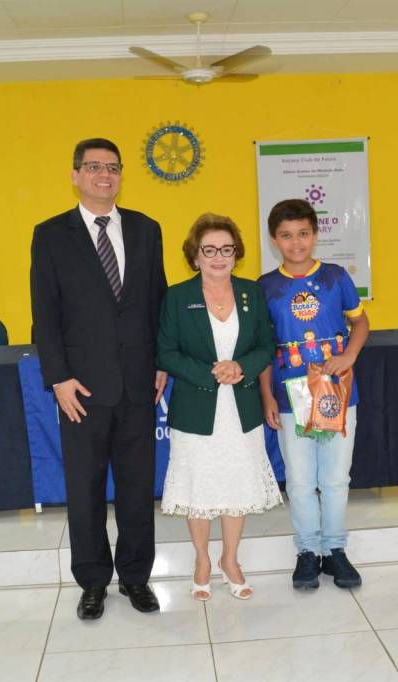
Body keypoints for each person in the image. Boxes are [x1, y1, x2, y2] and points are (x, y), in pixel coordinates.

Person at [30, 138, 167, 619]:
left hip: (139, 384)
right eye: (93, 167)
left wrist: (162, 361)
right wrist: (58, 378)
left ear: (121, 175)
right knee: (85, 490)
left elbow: (158, 302)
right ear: (75, 175)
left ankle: (136, 577)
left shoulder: (147, 229)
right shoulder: (51, 235)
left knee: (137, 489)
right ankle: (92, 582)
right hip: (81, 390)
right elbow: (45, 313)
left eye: (112, 167)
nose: (103, 175)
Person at [157, 214, 282, 601]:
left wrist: (240, 367)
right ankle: (201, 560)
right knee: (199, 488)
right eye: (209, 250)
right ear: (195, 256)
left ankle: (230, 559)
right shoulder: (177, 297)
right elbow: (166, 352)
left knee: (237, 485)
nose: (218, 257)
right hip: (195, 409)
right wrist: (212, 372)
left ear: (236, 254)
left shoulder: (251, 293)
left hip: (241, 407)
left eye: (226, 249)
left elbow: (266, 345)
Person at [259, 198, 370, 590]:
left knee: (336, 477)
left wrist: (349, 355)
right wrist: (267, 397)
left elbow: (360, 323)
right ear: (274, 240)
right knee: (301, 479)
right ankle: (307, 551)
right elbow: (262, 348)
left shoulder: (336, 277)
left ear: (316, 234)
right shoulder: (265, 287)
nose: (296, 243)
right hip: (290, 396)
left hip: (335, 392)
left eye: (303, 234)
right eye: (287, 236)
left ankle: (335, 549)